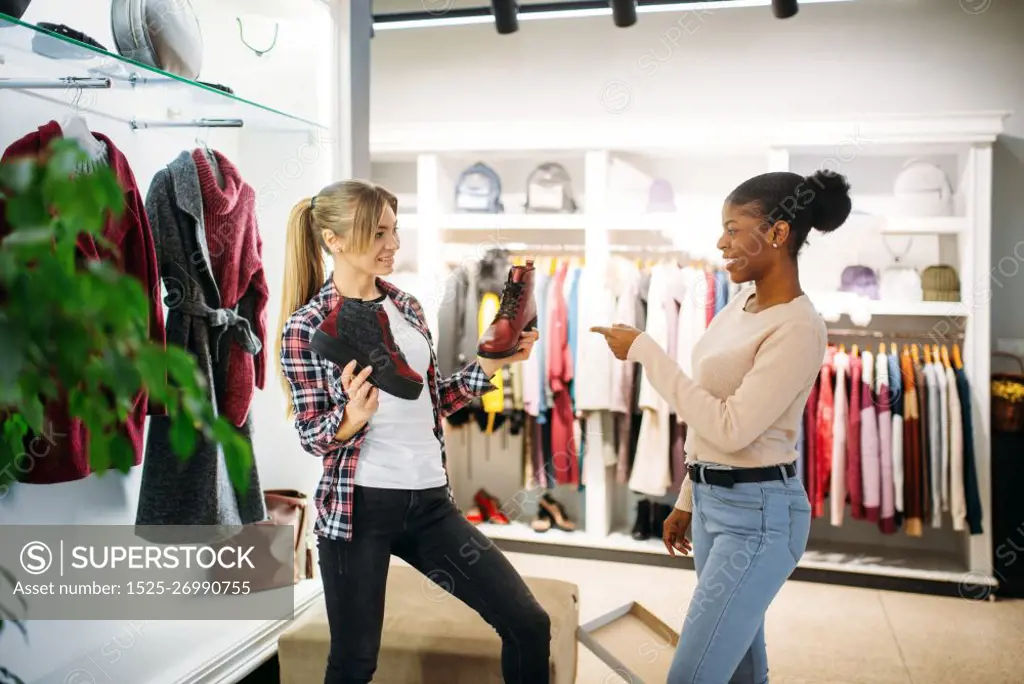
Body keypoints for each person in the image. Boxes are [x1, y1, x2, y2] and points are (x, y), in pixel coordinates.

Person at [275, 179, 550, 684]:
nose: (394, 244)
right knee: (355, 662)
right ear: (334, 240)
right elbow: (313, 435)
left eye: (394, 231)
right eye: (378, 233)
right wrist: (351, 420)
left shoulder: (406, 307)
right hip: (359, 509)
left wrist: (493, 364)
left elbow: (431, 401)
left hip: (429, 504)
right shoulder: (307, 327)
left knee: (528, 623)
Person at [592, 169, 852, 684]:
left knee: (691, 675)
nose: (721, 242)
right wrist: (690, 496)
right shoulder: (741, 303)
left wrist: (646, 350)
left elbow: (731, 427)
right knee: (738, 670)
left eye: (734, 229)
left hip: (759, 518)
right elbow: (711, 405)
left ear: (778, 234)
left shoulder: (798, 327)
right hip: (715, 507)